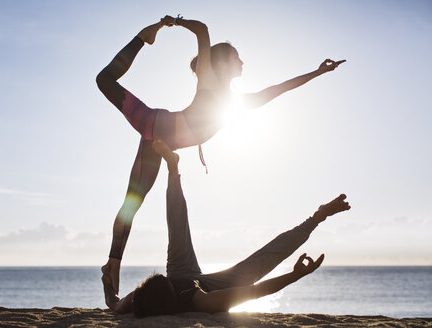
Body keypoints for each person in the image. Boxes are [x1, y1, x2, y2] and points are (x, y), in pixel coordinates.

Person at [96, 15, 346, 300]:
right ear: (223, 62)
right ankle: (144, 37)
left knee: (132, 203)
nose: (242, 63)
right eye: (237, 57)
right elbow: (202, 30)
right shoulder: (208, 77)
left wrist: (317, 72)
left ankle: (111, 265)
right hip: (153, 123)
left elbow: (278, 89)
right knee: (103, 81)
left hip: (158, 139)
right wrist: (171, 23)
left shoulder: (235, 103)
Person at [103, 140, 351, 315]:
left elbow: (113, 304)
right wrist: (296, 275)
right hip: (212, 287)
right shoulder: (202, 301)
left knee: (177, 224)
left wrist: (107, 284)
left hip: (179, 269)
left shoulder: (139, 299)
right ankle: (317, 217)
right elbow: (255, 291)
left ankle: (173, 167)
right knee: (257, 266)